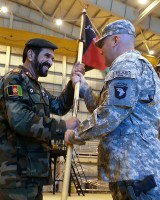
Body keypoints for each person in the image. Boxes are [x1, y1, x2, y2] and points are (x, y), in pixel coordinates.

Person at [65, 19, 160, 199]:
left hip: (135, 171)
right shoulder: (134, 65)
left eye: (103, 44)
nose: (100, 50)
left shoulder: (127, 65)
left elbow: (110, 115)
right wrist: (84, 88)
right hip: (131, 170)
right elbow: (108, 109)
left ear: (115, 40)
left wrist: (75, 134)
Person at [0, 38, 83, 200]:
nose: (51, 62)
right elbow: (20, 120)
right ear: (30, 54)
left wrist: (72, 84)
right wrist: (63, 127)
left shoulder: (37, 88)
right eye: (47, 56)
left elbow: (59, 106)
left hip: (33, 172)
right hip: (15, 175)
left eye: (52, 58)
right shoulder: (14, 80)